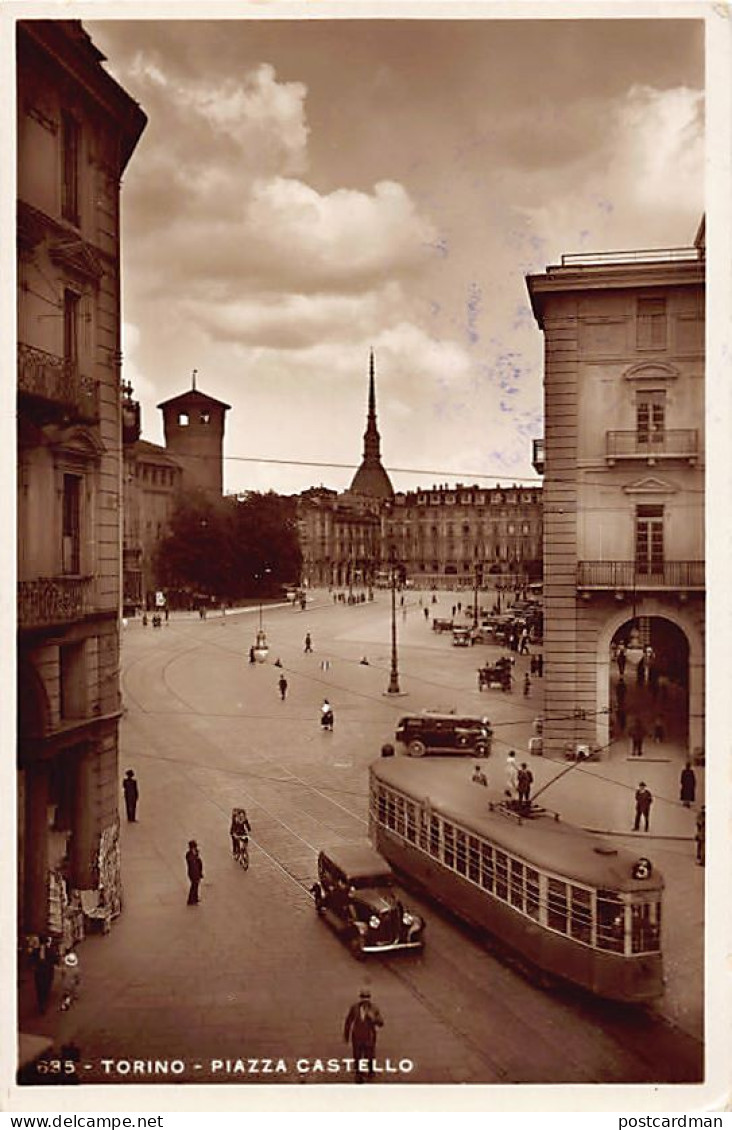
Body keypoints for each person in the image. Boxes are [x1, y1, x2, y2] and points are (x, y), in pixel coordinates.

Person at [343, 989, 384, 1083]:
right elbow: (348, 1021)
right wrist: (346, 1035)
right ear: (360, 998)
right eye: (363, 997)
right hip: (357, 1036)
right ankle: (359, 1074)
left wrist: (373, 1018)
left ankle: (371, 1072)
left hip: (369, 1036)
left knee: (369, 1056)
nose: (365, 1000)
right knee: (357, 1056)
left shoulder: (374, 1008)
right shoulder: (354, 1008)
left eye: (367, 997)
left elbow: (381, 1023)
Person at [30, 936, 57, 1014]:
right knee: (41, 988)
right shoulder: (38, 950)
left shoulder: (49, 950)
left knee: (44, 988)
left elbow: (54, 959)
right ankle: (42, 1003)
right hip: (41, 972)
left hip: (45, 972)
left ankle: (43, 1002)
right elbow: (32, 960)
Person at [186, 840, 204, 905]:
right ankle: (190, 900)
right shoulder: (189, 854)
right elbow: (192, 864)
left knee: (196, 885)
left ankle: (195, 898)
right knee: (194, 886)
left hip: (197, 871)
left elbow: (198, 862)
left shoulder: (195, 853)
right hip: (193, 872)